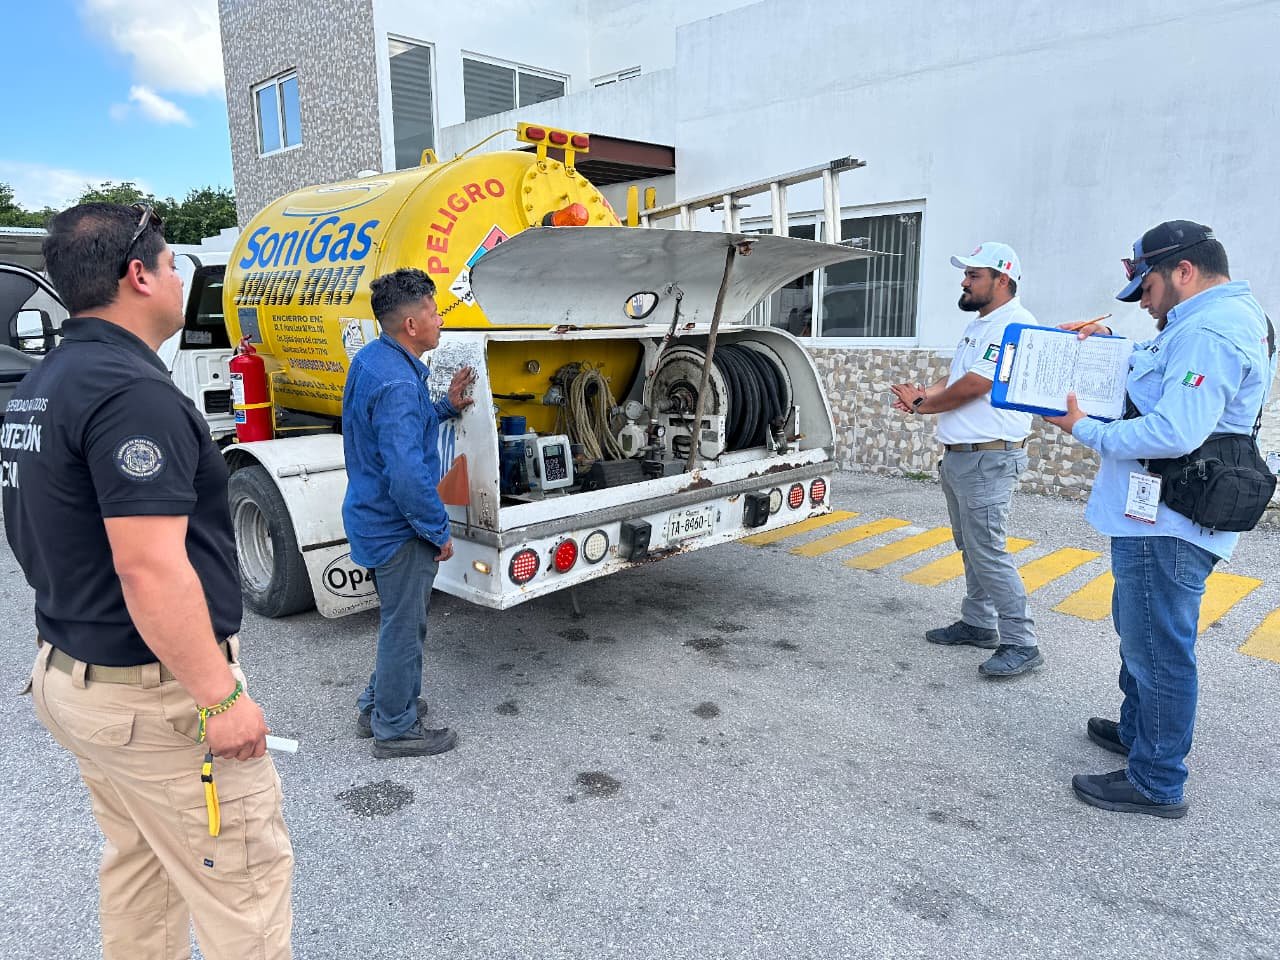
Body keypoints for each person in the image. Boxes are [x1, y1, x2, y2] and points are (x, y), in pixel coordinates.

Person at [1, 203, 293, 958]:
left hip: (75, 677)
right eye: (171, 266)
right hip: (151, 701)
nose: (178, 280)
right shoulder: (130, 392)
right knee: (245, 896)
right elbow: (149, 566)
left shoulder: (43, 382)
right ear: (139, 275)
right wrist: (219, 697)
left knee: (142, 872)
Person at [1044, 221, 1274, 818]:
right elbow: (1160, 373)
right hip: (1158, 516)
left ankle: (1156, 780)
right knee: (1140, 633)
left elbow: (1174, 431)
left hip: (1168, 522)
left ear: (1184, 272)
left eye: (1146, 290)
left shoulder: (1211, 331)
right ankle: (1136, 732)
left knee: (1159, 650)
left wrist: (1084, 430)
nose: (1143, 304)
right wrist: (1105, 343)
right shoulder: (1208, 320)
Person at [890, 242, 1044, 678]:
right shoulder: (983, 324)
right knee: (972, 547)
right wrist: (925, 393)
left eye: (974, 275)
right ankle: (979, 623)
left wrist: (923, 406)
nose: (964, 282)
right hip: (963, 458)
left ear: (1002, 279)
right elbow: (958, 376)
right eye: (966, 274)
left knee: (988, 551)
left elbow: (975, 386)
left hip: (988, 459)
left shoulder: (1014, 325)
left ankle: (1022, 642)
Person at [342, 267, 474, 759]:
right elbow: (405, 474)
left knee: (397, 621)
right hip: (396, 528)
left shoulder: (376, 360)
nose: (441, 320)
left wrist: (444, 406)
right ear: (411, 325)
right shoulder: (398, 380)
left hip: (372, 517)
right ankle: (395, 728)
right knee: (404, 627)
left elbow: (393, 428)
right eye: (434, 312)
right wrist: (438, 529)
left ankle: (377, 705)